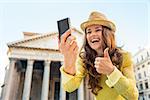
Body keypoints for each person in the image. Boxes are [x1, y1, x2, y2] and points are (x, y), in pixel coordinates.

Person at [59, 11, 139, 100]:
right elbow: (70, 87)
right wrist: (68, 59)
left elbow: (133, 96)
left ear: (107, 33)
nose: (92, 34)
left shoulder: (124, 56)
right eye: (89, 32)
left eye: (97, 30)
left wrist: (111, 72)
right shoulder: (84, 59)